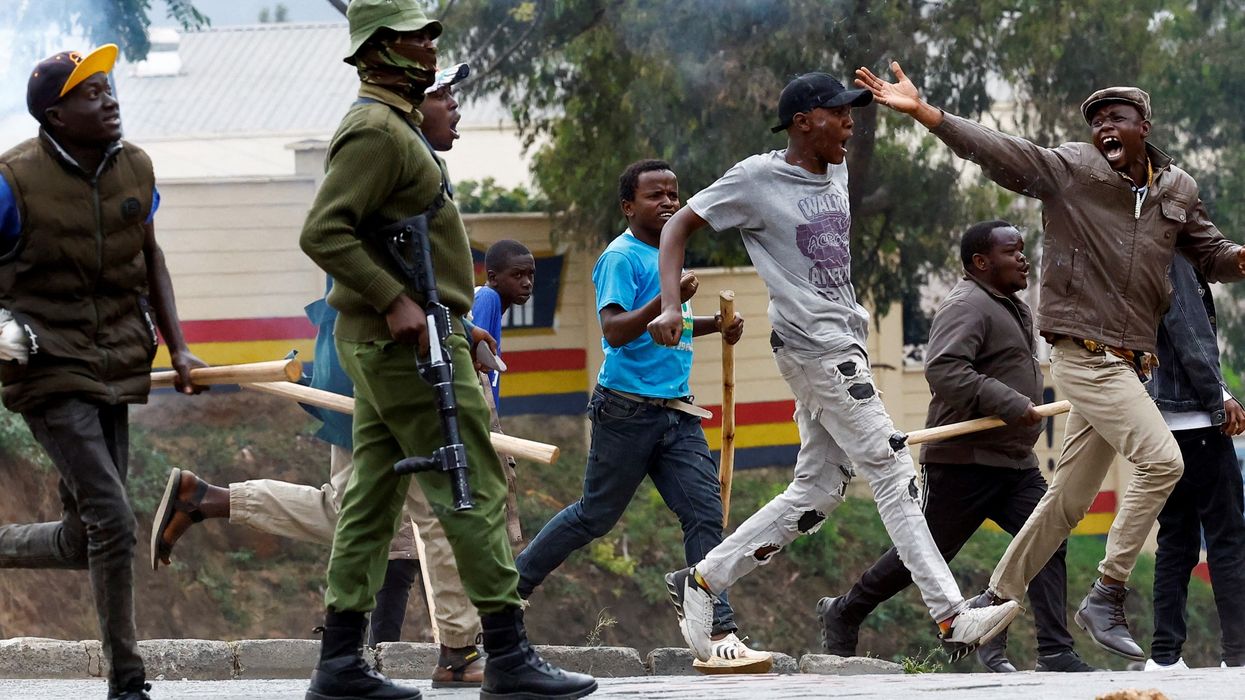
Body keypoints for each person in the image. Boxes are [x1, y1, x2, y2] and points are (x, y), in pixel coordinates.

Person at [854, 61, 1245, 661]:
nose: (1104, 129)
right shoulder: (1073, 172)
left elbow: (1210, 253)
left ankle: (991, 601)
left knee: (1065, 499)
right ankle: (1108, 592)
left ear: (1145, 125)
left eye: (1117, 118)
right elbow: (998, 150)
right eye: (1097, 122)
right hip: (1083, 355)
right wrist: (929, 115)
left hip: (1130, 362)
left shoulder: (1177, 190)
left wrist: (1238, 258)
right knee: (1162, 461)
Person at [646, 73, 1021, 664]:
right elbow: (676, 226)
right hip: (816, 348)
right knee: (892, 464)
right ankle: (951, 616)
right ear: (803, 122)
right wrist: (672, 306)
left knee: (819, 490)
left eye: (852, 113)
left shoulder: (837, 167)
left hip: (842, 341)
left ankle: (704, 579)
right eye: (838, 113)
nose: (850, 123)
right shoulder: (754, 178)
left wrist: (918, 108)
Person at [149, 61, 490, 690]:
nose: (457, 112)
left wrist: (465, 331)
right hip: (373, 362)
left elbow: (418, 275)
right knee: (437, 509)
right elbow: (346, 251)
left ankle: (211, 500)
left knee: (362, 509)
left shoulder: (415, 164)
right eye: (448, 98)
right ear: (419, 101)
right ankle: (461, 651)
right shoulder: (382, 151)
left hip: (373, 359)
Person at [297, 1, 596, 698]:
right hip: (407, 344)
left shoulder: (395, 127)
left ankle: (339, 661)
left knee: (372, 497)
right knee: (473, 486)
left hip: (405, 339)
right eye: (414, 35)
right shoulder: (375, 131)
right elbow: (323, 232)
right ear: (378, 49)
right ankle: (508, 654)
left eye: (430, 32)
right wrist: (395, 300)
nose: (430, 44)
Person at [0, 46, 207, 700]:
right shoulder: (12, 182)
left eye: (110, 89)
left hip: (117, 361)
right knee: (114, 519)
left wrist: (179, 348)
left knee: (85, 536)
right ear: (56, 115)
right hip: (45, 366)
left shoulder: (136, 168)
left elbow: (152, 261)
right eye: (90, 94)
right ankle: (128, 681)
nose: (109, 100)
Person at [515, 159, 772, 673]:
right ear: (629, 206)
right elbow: (615, 330)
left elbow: (667, 327)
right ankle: (507, 594)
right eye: (655, 196)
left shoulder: (670, 254)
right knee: (595, 516)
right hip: (626, 411)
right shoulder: (621, 257)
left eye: (674, 195)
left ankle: (718, 629)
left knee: (704, 514)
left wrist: (714, 326)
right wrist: (668, 297)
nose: (669, 204)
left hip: (676, 414)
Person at [817, 221, 1095, 673]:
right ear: (981, 263)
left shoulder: (1012, 306)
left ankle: (1055, 651)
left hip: (1013, 461)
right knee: (925, 556)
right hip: (963, 461)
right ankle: (845, 610)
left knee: (1046, 540)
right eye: (1012, 251)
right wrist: (1009, 402)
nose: (1024, 258)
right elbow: (944, 370)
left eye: (1023, 250)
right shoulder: (967, 305)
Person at [1144, 254, 1245, 670]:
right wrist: (1220, 397)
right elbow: (1189, 333)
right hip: (1198, 419)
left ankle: (1165, 656)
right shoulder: (1174, 261)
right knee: (1227, 538)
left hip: (1160, 423)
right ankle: (1239, 654)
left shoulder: (1140, 254)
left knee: (1175, 540)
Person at [473, 239, 534, 409]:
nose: (527, 282)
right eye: (517, 275)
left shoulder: (494, 307)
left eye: (530, 274)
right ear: (493, 278)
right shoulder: (487, 298)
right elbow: (475, 370)